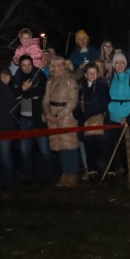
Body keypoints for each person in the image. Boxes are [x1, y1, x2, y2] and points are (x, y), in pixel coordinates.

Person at [12, 55, 50, 184]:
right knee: (25, 150)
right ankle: (27, 175)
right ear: (20, 66)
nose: (27, 68)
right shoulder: (16, 78)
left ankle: (46, 175)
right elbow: (12, 94)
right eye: (24, 65)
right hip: (24, 117)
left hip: (39, 116)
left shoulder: (40, 75)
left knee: (44, 148)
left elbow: (43, 92)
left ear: (33, 64)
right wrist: (22, 90)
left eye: (29, 64)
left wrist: (24, 92)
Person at [42, 58, 80, 187]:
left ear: (64, 66)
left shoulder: (71, 80)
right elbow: (45, 100)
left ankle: (73, 174)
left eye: (60, 65)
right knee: (60, 146)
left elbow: (73, 101)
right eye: (55, 65)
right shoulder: (50, 81)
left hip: (67, 117)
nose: (58, 67)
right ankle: (65, 174)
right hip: (52, 117)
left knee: (70, 146)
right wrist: (48, 113)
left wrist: (59, 115)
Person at [104, 52, 130, 176]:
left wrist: (126, 116)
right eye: (117, 63)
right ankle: (115, 170)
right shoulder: (113, 79)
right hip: (113, 117)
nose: (119, 65)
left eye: (122, 62)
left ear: (125, 64)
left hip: (126, 117)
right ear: (114, 65)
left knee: (125, 147)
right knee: (113, 146)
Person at [74, 62, 109, 179]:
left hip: (99, 121)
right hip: (85, 123)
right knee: (89, 148)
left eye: (95, 72)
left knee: (102, 148)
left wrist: (88, 113)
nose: (93, 75)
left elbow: (104, 104)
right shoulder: (81, 88)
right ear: (85, 75)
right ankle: (92, 171)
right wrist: (77, 113)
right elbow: (79, 104)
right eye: (90, 73)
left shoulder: (102, 86)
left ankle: (108, 170)